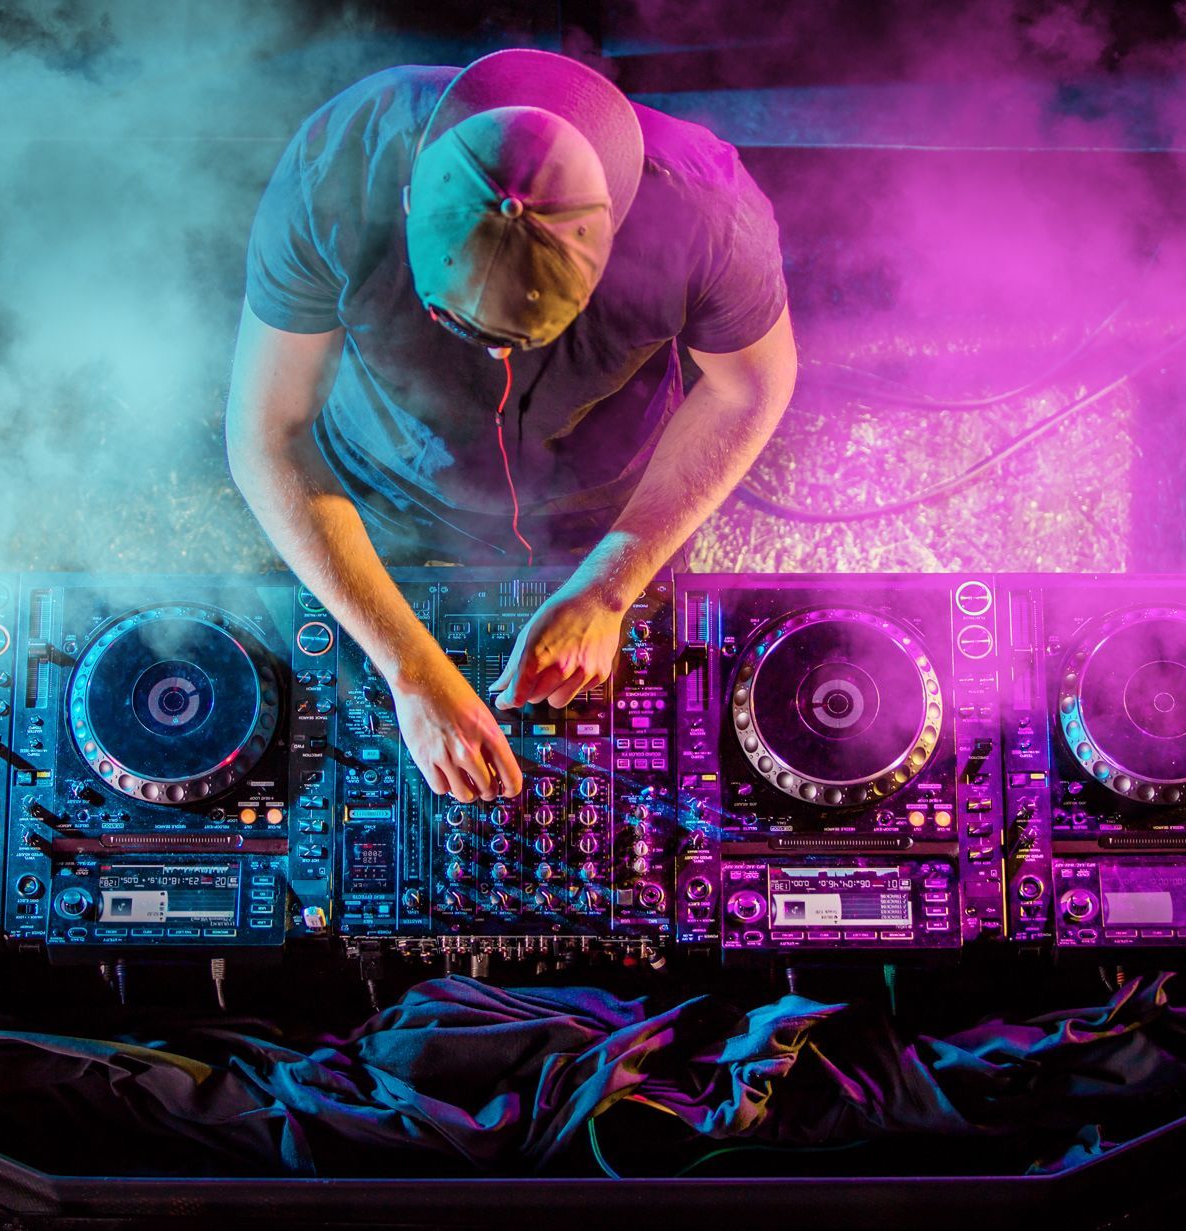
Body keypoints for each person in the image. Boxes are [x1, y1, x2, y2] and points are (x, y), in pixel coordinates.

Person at [226, 48, 795, 804]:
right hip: (389, 485)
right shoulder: (335, 169)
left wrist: (607, 587)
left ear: (611, 238)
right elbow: (269, 433)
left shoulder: (708, 209)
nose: (493, 357)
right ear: (407, 195)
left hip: (607, 489)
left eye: (528, 337)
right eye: (450, 318)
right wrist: (410, 670)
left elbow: (750, 390)